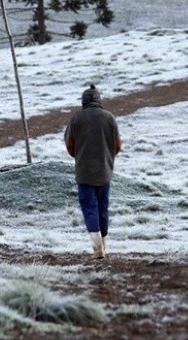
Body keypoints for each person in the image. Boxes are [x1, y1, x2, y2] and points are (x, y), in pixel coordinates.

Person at [64, 84, 122, 259]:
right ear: (99, 100)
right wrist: (108, 157)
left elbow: (69, 145)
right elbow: (117, 145)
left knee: (90, 208)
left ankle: (98, 249)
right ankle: (105, 245)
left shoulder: (77, 119)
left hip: (84, 172)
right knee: (103, 209)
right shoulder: (109, 118)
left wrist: (79, 155)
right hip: (105, 171)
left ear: (84, 102)